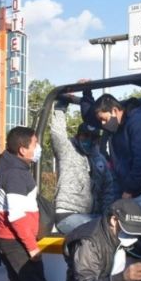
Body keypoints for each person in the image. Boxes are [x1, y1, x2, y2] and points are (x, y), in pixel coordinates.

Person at [0, 126, 55, 281]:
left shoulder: (10, 166)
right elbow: (17, 216)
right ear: (22, 149)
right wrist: (32, 248)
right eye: (35, 144)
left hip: (8, 240)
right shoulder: (15, 174)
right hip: (17, 242)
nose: (38, 148)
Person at [92, 94, 141, 231]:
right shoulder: (118, 128)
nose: (103, 124)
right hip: (132, 192)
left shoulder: (139, 122)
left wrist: (129, 189)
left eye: (104, 119)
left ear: (115, 111)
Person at [50, 100, 117, 234]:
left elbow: (108, 190)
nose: (89, 140)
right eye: (85, 136)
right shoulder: (67, 150)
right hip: (68, 214)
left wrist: (106, 215)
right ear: (77, 136)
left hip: (93, 216)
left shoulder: (100, 160)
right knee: (97, 232)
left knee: (113, 229)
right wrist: (61, 107)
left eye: (93, 137)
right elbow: (57, 134)